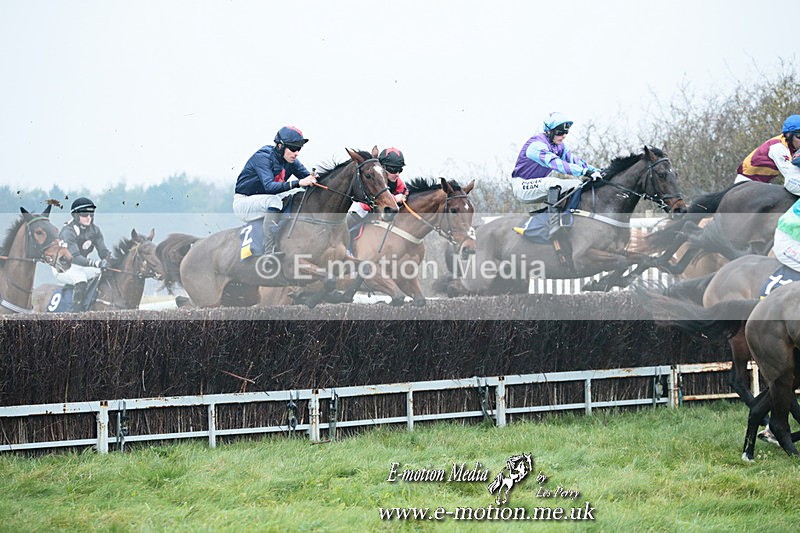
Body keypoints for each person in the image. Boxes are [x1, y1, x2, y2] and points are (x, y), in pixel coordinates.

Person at [511, 112, 603, 237]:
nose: (564, 136)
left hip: (539, 185)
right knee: (553, 182)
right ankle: (553, 226)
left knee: (578, 184)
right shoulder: (536, 146)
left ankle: (566, 218)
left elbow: (575, 160)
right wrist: (584, 172)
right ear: (549, 131)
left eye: (566, 133)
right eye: (560, 133)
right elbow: (556, 163)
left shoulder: (559, 146)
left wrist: (597, 171)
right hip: (522, 186)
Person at [233, 126, 317, 256]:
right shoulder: (262, 157)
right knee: (275, 200)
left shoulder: (291, 161)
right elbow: (269, 187)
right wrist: (299, 183)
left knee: (294, 197)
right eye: (293, 149)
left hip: (264, 199)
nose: (297, 153)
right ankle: (269, 251)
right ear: (280, 146)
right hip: (244, 203)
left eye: (299, 149)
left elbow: (308, 180)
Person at [54, 197, 111, 312]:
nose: (89, 217)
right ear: (76, 215)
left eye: (91, 214)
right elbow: (74, 257)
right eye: (85, 214)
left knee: (103, 273)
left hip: (82, 266)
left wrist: (110, 261)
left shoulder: (95, 230)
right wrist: (96, 263)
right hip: (63, 267)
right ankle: (76, 314)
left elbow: (103, 252)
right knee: (80, 279)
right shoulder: (68, 231)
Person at [734, 114, 800, 195]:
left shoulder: (793, 146)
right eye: (799, 135)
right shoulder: (778, 147)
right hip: (746, 184)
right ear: (788, 135)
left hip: (763, 184)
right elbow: (792, 179)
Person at [347, 147, 408, 227]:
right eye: (393, 169)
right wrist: (394, 199)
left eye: (400, 170)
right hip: (363, 206)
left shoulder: (397, 181)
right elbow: (366, 204)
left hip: (382, 209)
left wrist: (404, 197)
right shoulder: (374, 179)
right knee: (359, 209)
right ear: (382, 167)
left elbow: (405, 193)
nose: (397, 174)